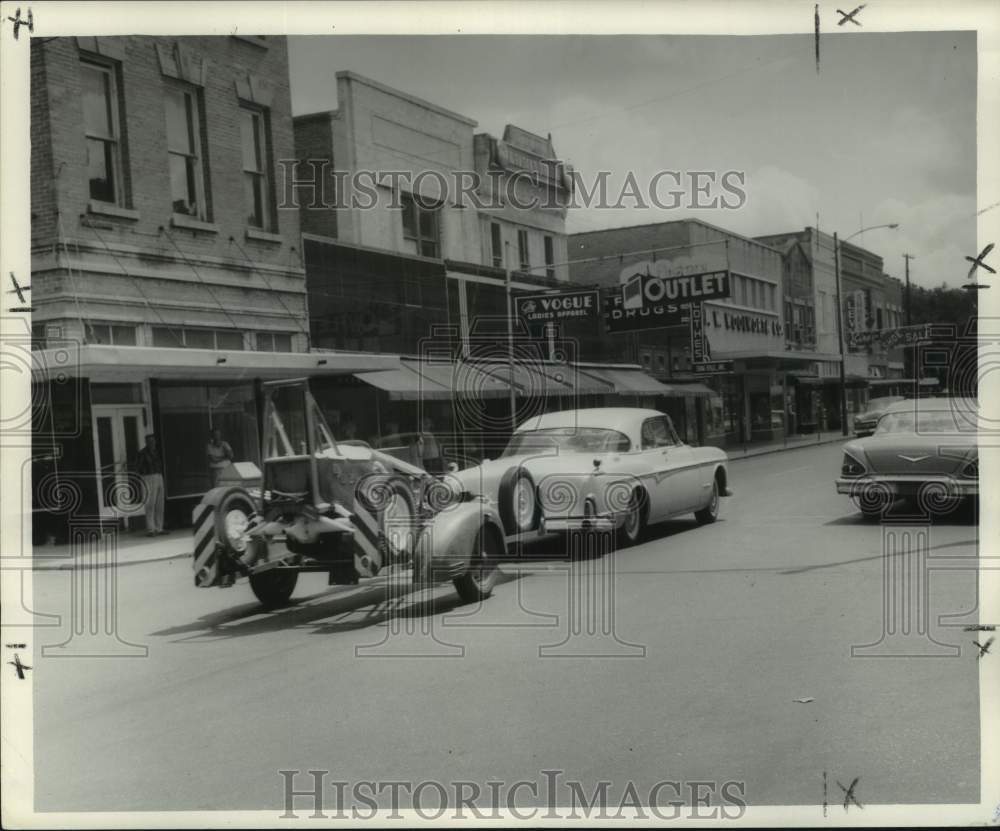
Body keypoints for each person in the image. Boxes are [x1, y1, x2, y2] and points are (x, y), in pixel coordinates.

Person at [136, 433, 166, 536]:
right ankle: (150, 529)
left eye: (153, 441)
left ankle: (159, 528)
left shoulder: (157, 452)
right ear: (146, 442)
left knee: (159, 503)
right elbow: (138, 467)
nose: (152, 443)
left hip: (158, 476)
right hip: (148, 477)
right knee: (150, 503)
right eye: (150, 441)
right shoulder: (142, 453)